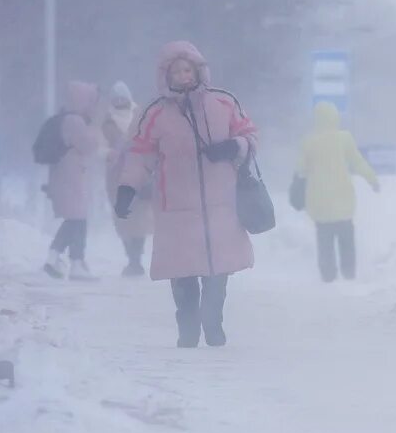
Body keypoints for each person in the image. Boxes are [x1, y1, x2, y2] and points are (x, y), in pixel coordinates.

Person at [113, 41, 258, 348]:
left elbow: (249, 135)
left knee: (218, 273)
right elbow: (139, 155)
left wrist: (234, 147)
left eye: (187, 70)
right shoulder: (154, 114)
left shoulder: (224, 103)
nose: (182, 76)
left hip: (221, 205)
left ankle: (213, 322)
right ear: (166, 75)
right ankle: (188, 327)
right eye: (176, 71)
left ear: (198, 70)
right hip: (176, 208)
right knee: (182, 275)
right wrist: (127, 188)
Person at [296, 101, 379, 283]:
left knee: (324, 241)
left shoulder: (308, 142)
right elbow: (358, 163)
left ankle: (328, 277)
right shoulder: (344, 139)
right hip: (343, 200)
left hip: (320, 203)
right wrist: (372, 179)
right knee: (346, 240)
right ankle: (349, 274)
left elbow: (301, 169)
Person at [44, 81, 101, 280]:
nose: (93, 106)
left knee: (75, 220)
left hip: (67, 178)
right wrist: (93, 131)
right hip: (72, 179)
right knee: (78, 221)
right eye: (91, 101)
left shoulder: (66, 119)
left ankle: (64, 259)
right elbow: (89, 146)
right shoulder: (75, 121)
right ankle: (72, 262)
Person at [102, 81, 152, 277]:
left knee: (139, 217)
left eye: (123, 97)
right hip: (116, 176)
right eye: (116, 98)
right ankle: (131, 257)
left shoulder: (139, 116)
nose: (120, 101)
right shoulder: (107, 121)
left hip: (139, 172)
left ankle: (136, 259)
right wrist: (109, 153)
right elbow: (100, 145)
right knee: (122, 217)